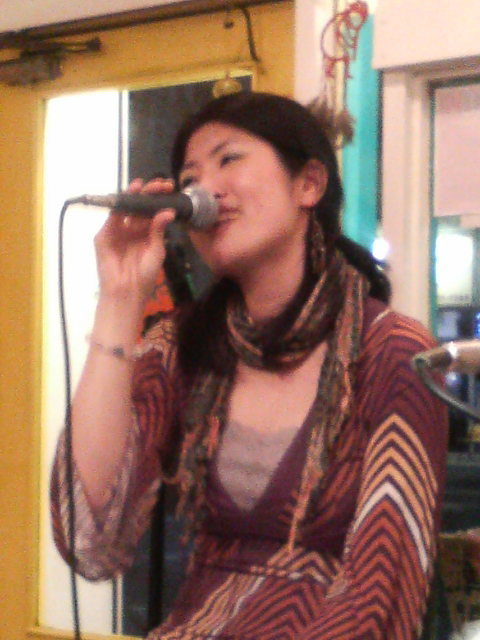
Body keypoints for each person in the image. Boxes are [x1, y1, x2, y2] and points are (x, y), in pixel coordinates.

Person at [50, 91, 448, 639]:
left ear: (309, 184)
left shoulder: (392, 351)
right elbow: (88, 539)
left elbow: (382, 593)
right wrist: (120, 299)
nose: (204, 190)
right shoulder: (182, 347)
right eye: (190, 176)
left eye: (229, 159)